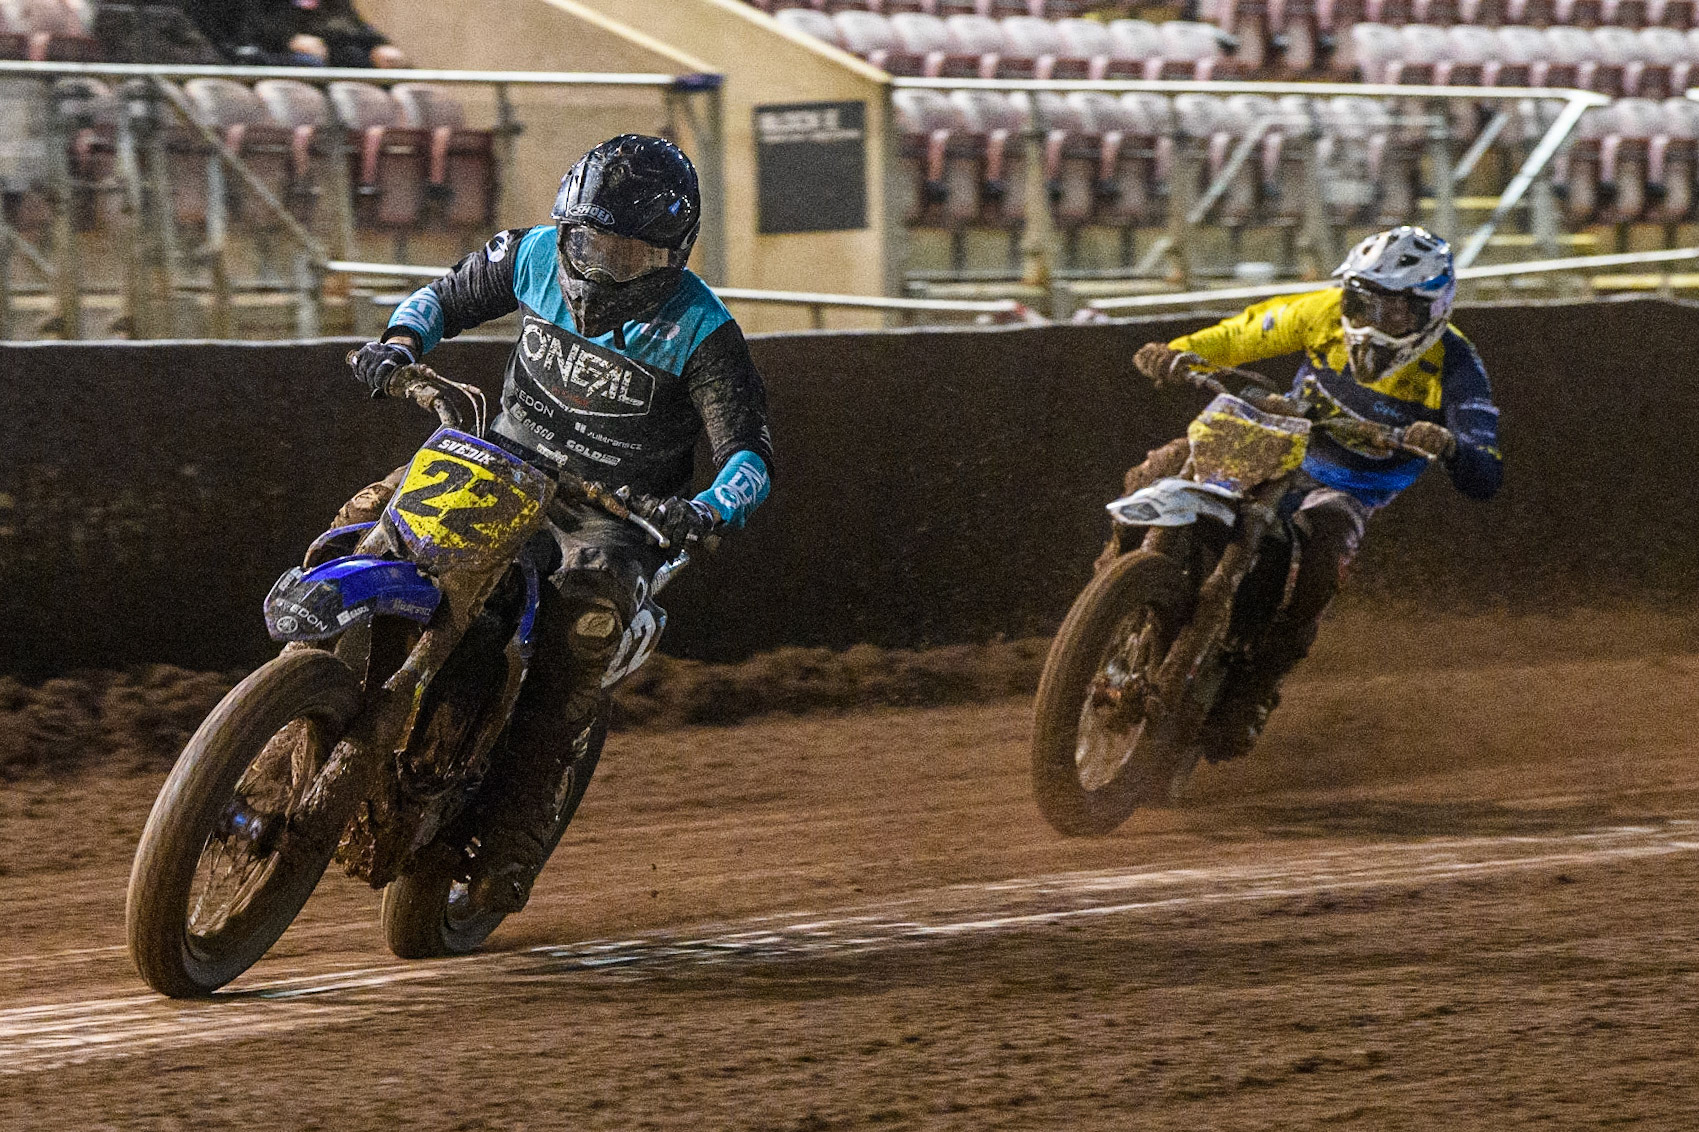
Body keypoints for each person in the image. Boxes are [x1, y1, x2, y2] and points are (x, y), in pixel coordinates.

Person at [340, 135, 774, 915]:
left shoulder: (706, 333)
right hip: (502, 464)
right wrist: (399, 345)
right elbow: (442, 297)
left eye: (626, 253)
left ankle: (511, 841)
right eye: (587, 241)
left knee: (582, 637)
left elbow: (748, 457)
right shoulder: (532, 255)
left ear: (672, 255)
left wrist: (705, 507)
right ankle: (318, 670)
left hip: (615, 519)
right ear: (565, 228)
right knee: (374, 514)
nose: (599, 264)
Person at [1118, 225, 1501, 759]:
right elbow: (1244, 334)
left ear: (1431, 311)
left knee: (1320, 563)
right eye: (1361, 302)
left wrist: (1454, 448)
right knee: (1159, 468)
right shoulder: (1321, 312)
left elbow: (1487, 471)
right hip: (1282, 442)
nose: (1370, 320)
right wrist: (1178, 354)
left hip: (1350, 489)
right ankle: (1112, 601)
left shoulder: (1458, 369)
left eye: (1392, 311)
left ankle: (1254, 690)